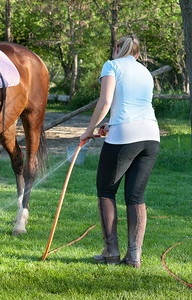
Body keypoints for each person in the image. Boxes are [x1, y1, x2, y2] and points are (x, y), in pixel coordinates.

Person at [80, 35, 160, 268]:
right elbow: (132, 105)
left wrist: (90, 130)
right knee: (135, 196)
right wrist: (110, 124)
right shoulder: (145, 72)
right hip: (151, 136)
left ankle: (111, 252)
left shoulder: (112, 65)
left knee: (106, 190)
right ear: (137, 54)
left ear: (117, 49)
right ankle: (134, 256)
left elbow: (105, 101)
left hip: (125, 137)